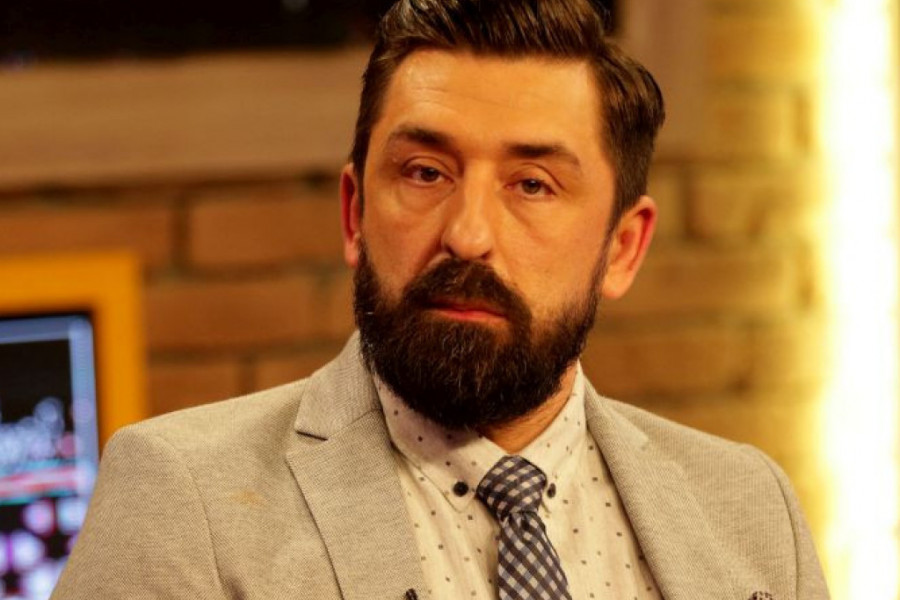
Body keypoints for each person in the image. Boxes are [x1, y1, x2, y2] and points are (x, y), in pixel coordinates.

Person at [52, 1, 830, 599]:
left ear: (622, 248)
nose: (467, 235)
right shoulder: (183, 498)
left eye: (533, 185)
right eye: (425, 173)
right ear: (355, 213)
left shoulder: (749, 506)